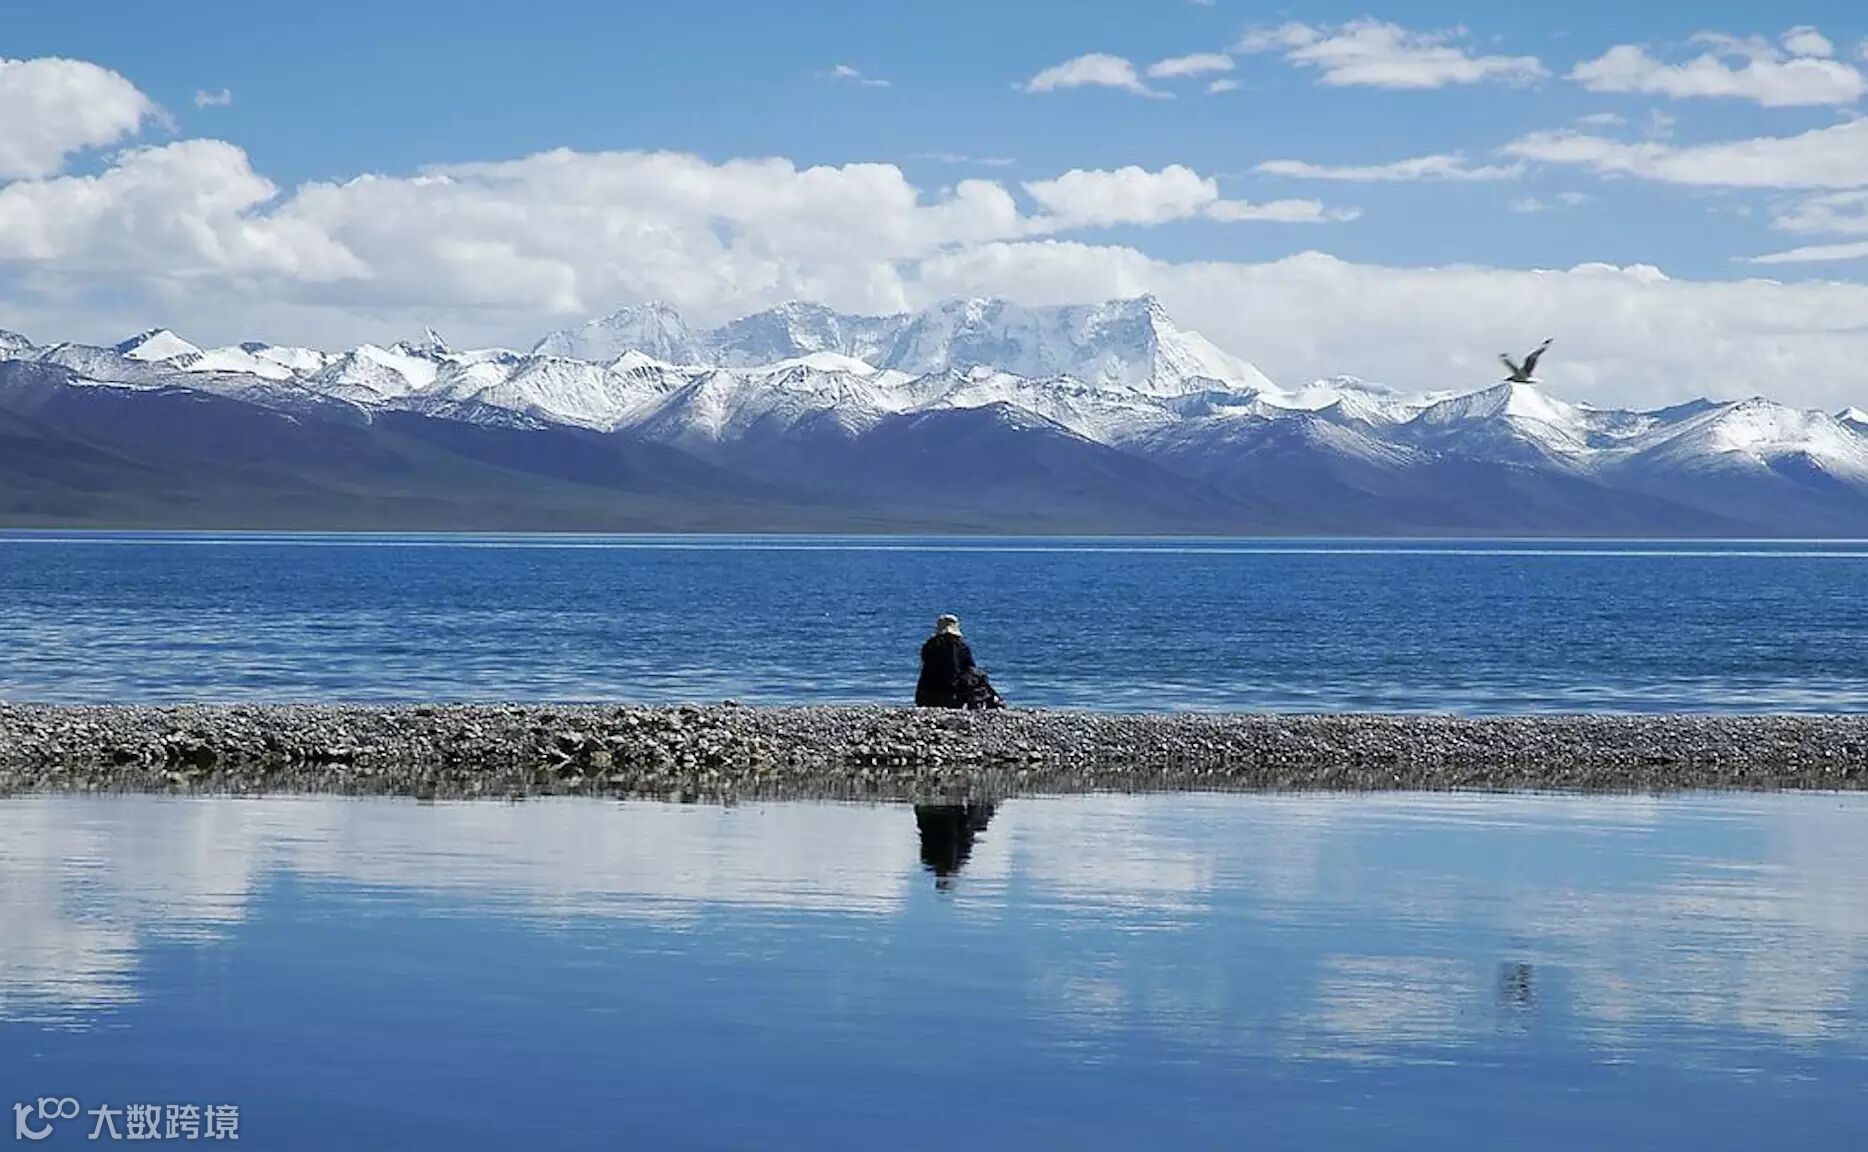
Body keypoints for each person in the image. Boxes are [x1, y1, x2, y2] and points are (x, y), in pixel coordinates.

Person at [915, 614, 1003, 709]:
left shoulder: (929, 645)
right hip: (954, 694)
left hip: (928, 695)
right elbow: (969, 667)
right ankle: (995, 700)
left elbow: (925, 666)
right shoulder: (960, 645)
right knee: (978, 677)